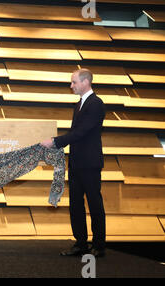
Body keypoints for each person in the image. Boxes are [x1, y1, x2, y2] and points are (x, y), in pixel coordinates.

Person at [41, 69, 106, 257]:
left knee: (94, 204)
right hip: (77, 163)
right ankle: (81, 244)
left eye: (74, 82)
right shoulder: (78, 105)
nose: (71, 86)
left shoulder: (96, 104)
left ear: (85, 82)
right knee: (76, 205)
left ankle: (99, 245)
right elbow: (76, 135)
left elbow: (81, 133)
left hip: (90, 164)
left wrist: (55, 141)